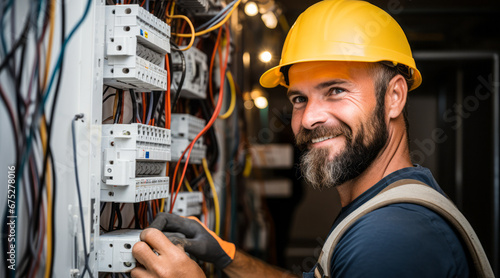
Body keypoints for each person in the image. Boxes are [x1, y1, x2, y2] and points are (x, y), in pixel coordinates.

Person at [131, 0, 479, 277]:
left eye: (336, 90)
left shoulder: (390, 241)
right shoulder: (383, 209)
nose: (309, 117)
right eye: (299, 98)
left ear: (394, 97)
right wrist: (228, 257)